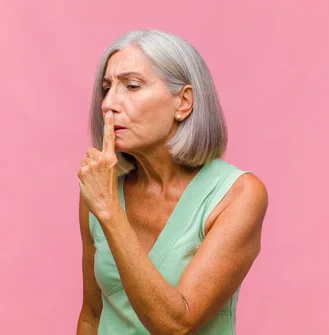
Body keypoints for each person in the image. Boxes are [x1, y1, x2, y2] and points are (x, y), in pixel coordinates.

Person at [76, 29, 268, 335]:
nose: (108, 104)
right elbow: (92, 314)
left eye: (132, 86)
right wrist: (103, 202)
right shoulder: (99, 191)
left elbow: (177, 324)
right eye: (106, 88)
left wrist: (109, 211)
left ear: (184, 103)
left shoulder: (239, 195)